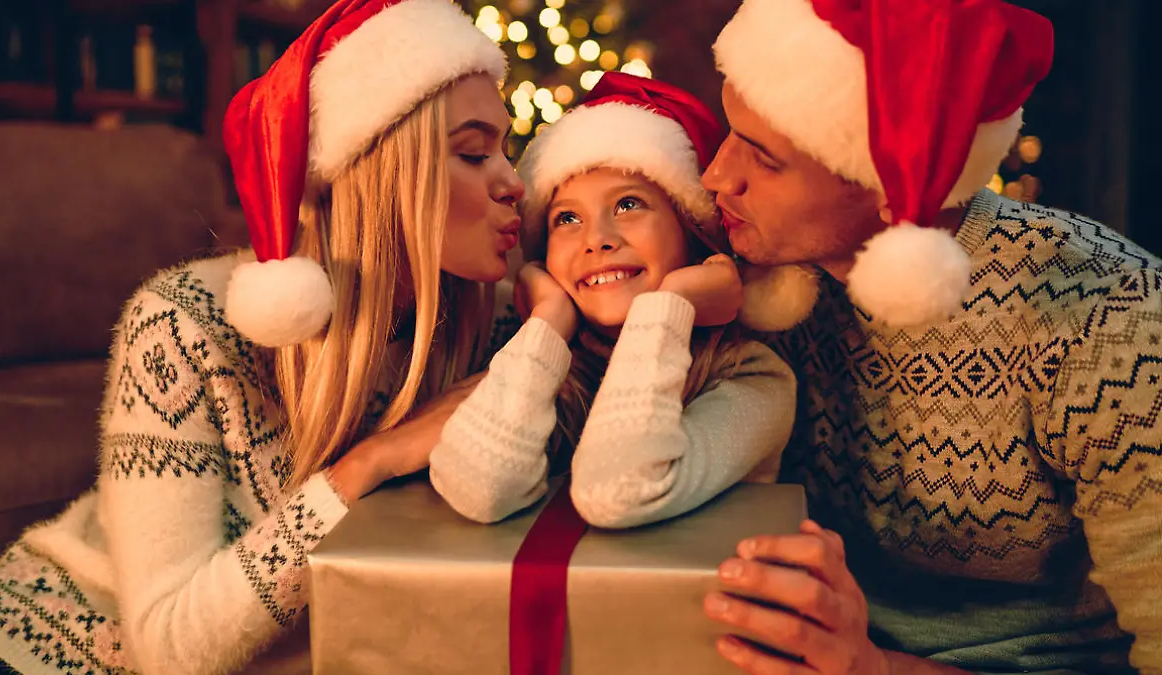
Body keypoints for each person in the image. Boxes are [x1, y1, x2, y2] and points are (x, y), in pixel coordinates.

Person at [0, 0, 524, 673]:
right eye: (472, 152)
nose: (512, 182)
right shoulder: (183, 323)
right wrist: (366, 466)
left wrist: (558, 311)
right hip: (37, 652)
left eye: (508, 148)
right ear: (379, 171)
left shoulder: (485, 323)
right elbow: (167, 649)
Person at [697, 1, 1162, 674]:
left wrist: (875, 667)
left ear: (889, 181)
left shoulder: (1110, 319)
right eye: (728, 131)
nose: (717, 176)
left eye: (764, 159)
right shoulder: (765, 279)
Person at [429, 73, 798, 529]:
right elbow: (478, 487)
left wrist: (670, 303)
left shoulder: (754, 379)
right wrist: (547, 321)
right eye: (567, 218)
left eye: (628, 205)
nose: (597, 239)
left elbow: (618, 491)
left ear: (689, 231)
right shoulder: (543, 365)